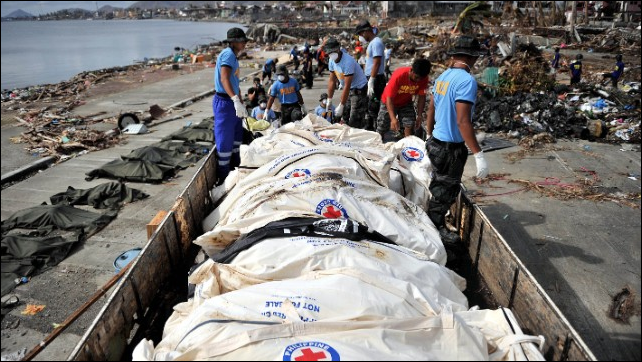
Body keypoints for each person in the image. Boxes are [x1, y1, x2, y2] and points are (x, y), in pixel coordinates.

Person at [425, 35, 489, 245]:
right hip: (449, 149)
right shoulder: (466, 81)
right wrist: (478, 154)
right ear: (473, 58)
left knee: (439, 186)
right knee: (445, 191)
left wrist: (428, 134)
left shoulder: (443, 76)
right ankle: (435, 231)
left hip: (435, 142)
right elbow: (463, 122)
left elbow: (432, 107)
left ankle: (435, 223)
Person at [212, 27, 248, 185]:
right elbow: (224, 78)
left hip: (232, 101)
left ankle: (234, 169)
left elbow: (234, 82)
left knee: (236, 137)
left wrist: (240, 101)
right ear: (234, 42)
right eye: (242, 41)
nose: (245, 43)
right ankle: (223, 178)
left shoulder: (233, 56)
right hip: (225, 102)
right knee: (225, 141)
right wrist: (234, 99)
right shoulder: (227, 54)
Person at [377, 58, 431, 140]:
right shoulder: (399, 75)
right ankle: (378, 144)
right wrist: (393, 119)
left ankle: (406, 145)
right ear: (411, 70)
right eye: (416, 77)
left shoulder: (424, 79)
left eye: (420, 78)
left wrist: (419, 115)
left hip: (405, 102)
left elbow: (421, 97)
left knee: (409, 124)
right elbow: (389, 99)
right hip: (389, 102)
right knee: (382, 126)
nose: (418, 80)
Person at [325, 37, 369, 129]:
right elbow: (332, 81)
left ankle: (361, 127)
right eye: (329, 52)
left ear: (338, 49)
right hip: (349, 89)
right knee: (343, 116)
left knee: (354, 120)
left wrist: (341, 105)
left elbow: (347, 85)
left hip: (359, 89)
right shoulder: (331, 61)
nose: (332, 54)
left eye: (334, 51)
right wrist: (329, 99)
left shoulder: (347, 61)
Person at [356, 20, 386, 131]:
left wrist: (372, 80)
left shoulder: (376, 42)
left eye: (360, 34)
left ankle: (377, 130)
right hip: (371, 77)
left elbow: (377, 62)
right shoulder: (372, 43)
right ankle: (370, 127)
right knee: (369, 105)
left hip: (376, 78)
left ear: (365, 32)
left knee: (374, 105)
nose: (360, 37)